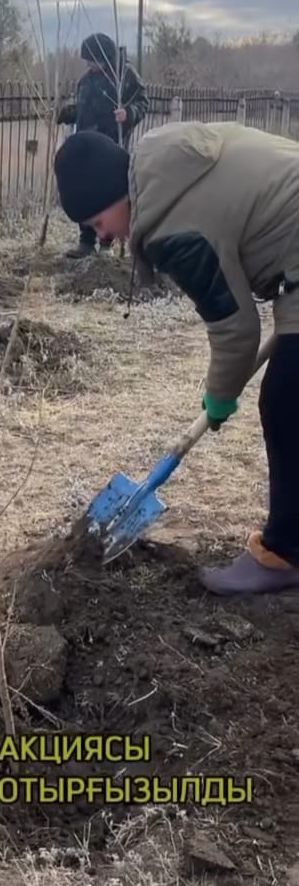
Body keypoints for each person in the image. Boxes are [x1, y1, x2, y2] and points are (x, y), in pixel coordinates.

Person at [54, 119, 299, 596]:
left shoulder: (173, 225)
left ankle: (284, 553)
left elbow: (234, 328)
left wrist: (219, 396)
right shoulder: (166, 162)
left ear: (111, 198)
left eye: (98, 224)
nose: (102, 238)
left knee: (286, 402)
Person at [57, 32, 148, 258]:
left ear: (104, 56)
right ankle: (86, 241)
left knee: (108, 195)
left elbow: (143, 103)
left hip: (111, 147)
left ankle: (106, 245)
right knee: (86, 192)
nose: (89, 64)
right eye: (87, 60)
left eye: (92, 59)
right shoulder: (85, 81)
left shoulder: (124, 77)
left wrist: (128, 114)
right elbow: (83, 108)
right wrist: (69, 113)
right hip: (86, 149)